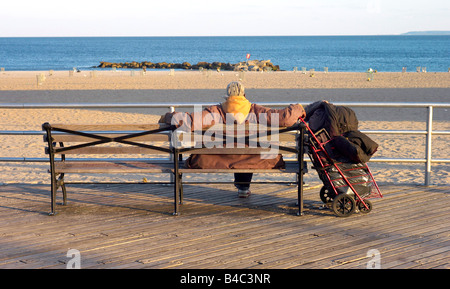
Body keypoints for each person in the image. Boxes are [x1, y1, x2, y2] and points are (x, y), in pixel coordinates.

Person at [160, 81, 305, 198]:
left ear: (227, 96)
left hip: (216, 158)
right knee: (246, 151)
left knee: (238, 150)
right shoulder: (256, 110)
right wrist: (298, 108)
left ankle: (243, 187)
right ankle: (243, 187)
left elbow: (188, 121)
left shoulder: (215, 111)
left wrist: (167, 116)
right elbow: (285, 118)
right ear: (244, 95)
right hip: (258, 158)